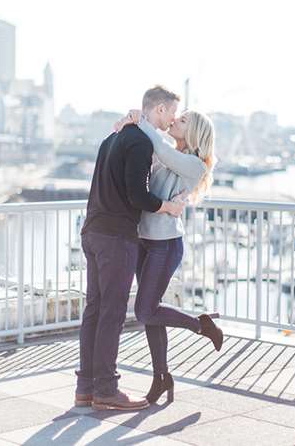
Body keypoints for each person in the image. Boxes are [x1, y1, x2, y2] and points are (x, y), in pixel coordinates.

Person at [75, 86, 186, 411]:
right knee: (111, 313)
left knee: (94, 310)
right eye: (172, 114)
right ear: (160, 110)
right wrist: (168, 207)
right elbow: (139, 196)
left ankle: (86, 388)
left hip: (93, 230)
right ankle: (107, 390)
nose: (172, 121)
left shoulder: (113, 138)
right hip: (116, 238)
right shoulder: (138, 141)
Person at [115, 107, 223, 404]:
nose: (175, 120)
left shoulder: (195, 165)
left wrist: (144, 121)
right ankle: (161, 377)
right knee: (152, 313)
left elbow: (161, 147)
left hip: (165, 244)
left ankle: (201, 325)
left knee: (144, 310)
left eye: (183, 120)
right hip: (143, 240)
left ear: (195, 132)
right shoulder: (169, 154)